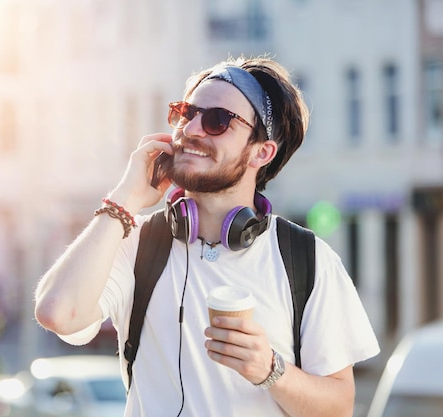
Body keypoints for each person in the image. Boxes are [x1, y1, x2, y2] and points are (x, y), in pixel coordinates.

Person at [34, 56, 380, 417]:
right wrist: (126, 197)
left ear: (262, 152)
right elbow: (59, 313)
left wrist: (269, 370)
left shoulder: (307, 259)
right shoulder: (135, 242)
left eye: (217, 120)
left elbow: (338, 408)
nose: (192, 129)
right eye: (187, 112)